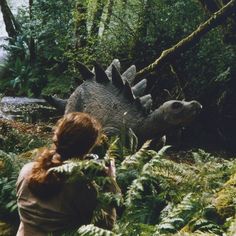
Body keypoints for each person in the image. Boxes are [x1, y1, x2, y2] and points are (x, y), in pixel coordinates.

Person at [16, 112, 119, 236]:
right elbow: (105, 228)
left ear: (57, 136)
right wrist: (110, 183)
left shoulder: (26, 171)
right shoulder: (82, 187)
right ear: (87, 148)